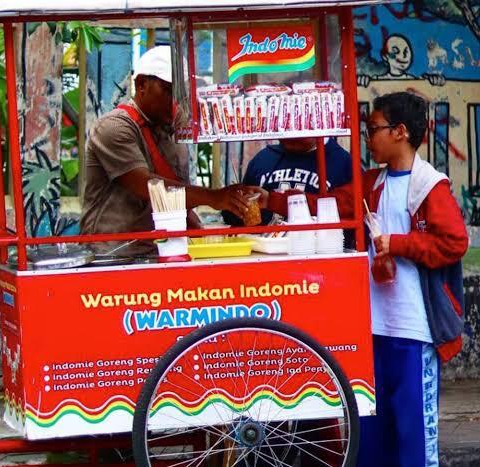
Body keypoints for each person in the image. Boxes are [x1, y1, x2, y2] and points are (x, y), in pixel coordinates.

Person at [259, 92, 468, 466]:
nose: (368, 138)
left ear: (400, 132)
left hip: (414, 330)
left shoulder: (431, 186)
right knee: (371, 438)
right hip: (372, 328)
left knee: (414, 443)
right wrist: (271, 201)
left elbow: (454, 242)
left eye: (373, 130)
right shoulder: (373, 183)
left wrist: (397, 244)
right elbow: (329, 204)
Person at [80, 46, 259, 254]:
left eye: (180, 93)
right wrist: (215, 198)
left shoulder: (171, 128)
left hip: (158, 250)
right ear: (141, 85)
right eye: (167, 90)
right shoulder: (114, 128)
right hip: (112, 254)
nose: (175, 101)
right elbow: (147, 187)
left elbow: (177, 193)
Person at [223, 137, 352, 226]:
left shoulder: (343, 162)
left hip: (316, 257)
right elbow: (243, 218)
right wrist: (235, 206)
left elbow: (347, 214)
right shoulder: (263, 158)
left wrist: (273, 201)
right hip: (264, 254)